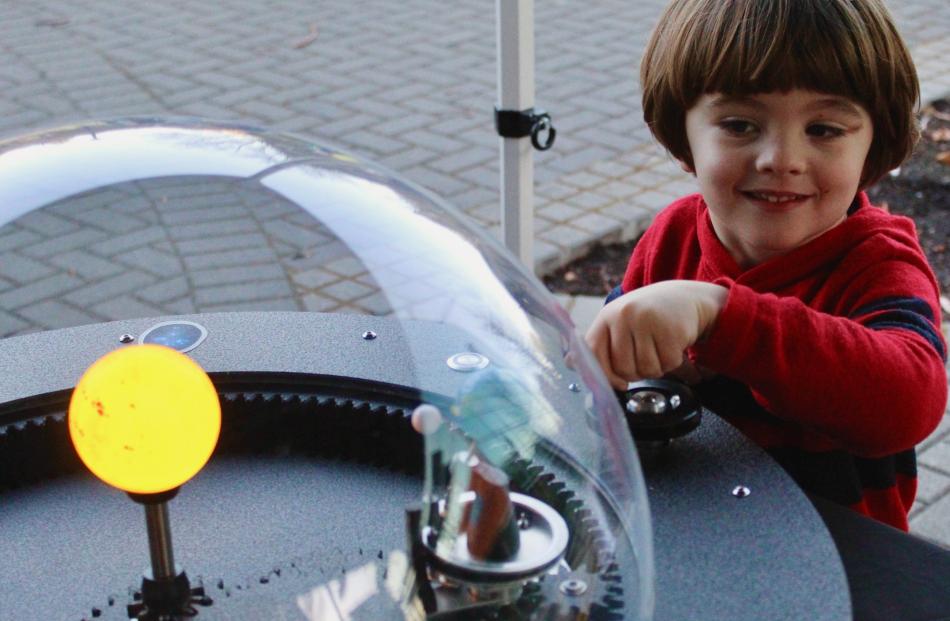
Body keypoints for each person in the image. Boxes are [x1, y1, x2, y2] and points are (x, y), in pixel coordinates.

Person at [585, 2, 950, 616]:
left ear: (874, 142)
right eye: (739, 124)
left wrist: (723, 317)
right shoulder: (673, 235)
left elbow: (908, 402)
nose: (781, 157)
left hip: (832, 573)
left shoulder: (876, 264)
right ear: (683, 134)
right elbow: (613, 371)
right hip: (688, 542)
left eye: (825, 130)